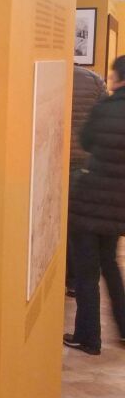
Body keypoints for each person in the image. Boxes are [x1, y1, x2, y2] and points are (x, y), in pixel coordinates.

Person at [64, 56, 125, 355]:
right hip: (118, 201)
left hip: (89, 196)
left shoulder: (106, 107)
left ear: (118, 77)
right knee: (110, 263)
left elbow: (87, 141)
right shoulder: (95, 84)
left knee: (87, 270)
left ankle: (88, 337)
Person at [67, 65, 109, 296]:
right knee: (76, 225)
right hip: (84, 161)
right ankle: (74, 280)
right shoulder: (93, 79)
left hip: (54, 159)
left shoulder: (50, 74)